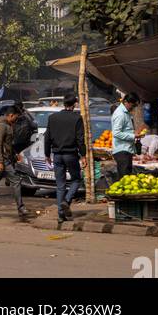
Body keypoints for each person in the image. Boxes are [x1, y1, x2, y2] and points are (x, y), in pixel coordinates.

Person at [0, 107, 33, 223]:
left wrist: (15, 154)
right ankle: (21, 208)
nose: (16, 119)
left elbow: (7, 144)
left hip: (3, 159)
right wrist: (0, 161)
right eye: (16, 117)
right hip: (2, 160)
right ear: (11, 115)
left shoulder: (6, 125)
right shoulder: (1, 126)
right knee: (16, 181)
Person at [44, 90, 86, 229]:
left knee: (60, 185)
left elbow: (47, 138)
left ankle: (61, 215)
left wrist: (46, 155)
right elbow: (80, 140)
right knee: (76, 180)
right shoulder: (77, 118)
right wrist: (84, 155)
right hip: (71, 154)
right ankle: (66, 201)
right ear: (74, 104)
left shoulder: (53, 117)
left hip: (57, 155)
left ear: (63, 103)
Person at [111, 92, 139, 178]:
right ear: (126, 102)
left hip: (127, 149)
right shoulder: (120, 114)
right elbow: (116, 133)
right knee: (124, 179)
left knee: (127, 178)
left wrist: (134, 133)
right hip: (122, 150)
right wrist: (133, 136)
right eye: (133, 105)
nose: (133, 108)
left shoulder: (125, 113)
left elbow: (125, 130)